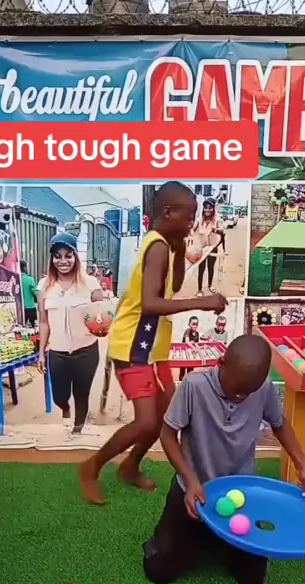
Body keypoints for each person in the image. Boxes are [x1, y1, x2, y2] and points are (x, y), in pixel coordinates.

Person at [79, 181, 227, 504]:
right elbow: (150, 304)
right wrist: (203, 303)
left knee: (164, 418)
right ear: (168, 212)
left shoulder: (166, 245)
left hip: (153, 350)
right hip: (134, 347)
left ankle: (130, 465)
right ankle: (91, 467)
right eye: (188, 217)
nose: (192, 224)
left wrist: (180, 249)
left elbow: (173, 286)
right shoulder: (156, 247)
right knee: (147, 421)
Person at [143, 335, 305, 584]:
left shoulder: (264, 388)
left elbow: (279, 424)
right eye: (237, 389)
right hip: (194, 487)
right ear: (221, 364)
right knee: (159, 571)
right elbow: (167, 435)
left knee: (252, 577)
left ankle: (216, 538)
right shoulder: (194, 386)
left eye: (249, 391)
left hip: (240, 491)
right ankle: (168, 540)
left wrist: (303, 465)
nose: (241, 396)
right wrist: (190, 480)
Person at [37, 232, 104, 434]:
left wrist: (103, 323)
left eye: (68, 255)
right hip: (57, 352)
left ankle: (77, 430)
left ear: (76, 256)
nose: (63, 261)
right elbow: (44, 322)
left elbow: (101, 316)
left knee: (82, 393)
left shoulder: (91, 284)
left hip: (86, 350)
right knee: (59, 395)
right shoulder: (44, 286)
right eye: (57, 256)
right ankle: (65, 407)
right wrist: (41, 353)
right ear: (52, 259)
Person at [191, 198, 226, 297]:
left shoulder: (217, 219)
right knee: (201, 269)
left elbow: (222, 230)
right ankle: (199, 290)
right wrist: (191, 232)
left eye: (210, 208)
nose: (207, 210)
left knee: (211, 267)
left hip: (212, 248)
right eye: (205, 207)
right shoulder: (199, 219)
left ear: (213, 208)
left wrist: (215, 229)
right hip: (201, 249)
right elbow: (193, 229)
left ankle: (210, 285)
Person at [180, 315, 200, 381]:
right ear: (189, 324)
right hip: (184, 353)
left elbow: (196, 343)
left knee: (190, 371)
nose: (195, 326)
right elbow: (187, 341)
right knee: (182, 370)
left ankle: (188, 383)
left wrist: (197, 348)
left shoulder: (197, 333)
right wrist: (193, 347)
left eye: (196, 324)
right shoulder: (188, 331)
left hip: (191, 354)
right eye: (193, 324)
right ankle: (181, 383)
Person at [20, 259, 38, 327]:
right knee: (32, 328)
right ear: (24, 268)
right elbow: (35, 292)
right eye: (27, 267)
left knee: (20, 327)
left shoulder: (14, 279)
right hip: (30, 307)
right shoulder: (30, 279)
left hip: (19, 308)